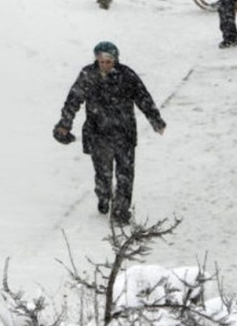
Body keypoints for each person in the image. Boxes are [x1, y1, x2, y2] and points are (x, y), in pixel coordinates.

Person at [52, 41, 165, 224]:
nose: (105, 64)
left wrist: (155, 120)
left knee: (125, 175)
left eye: (109, 61)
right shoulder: (88, 75)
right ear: (96, 59)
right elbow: (73, 100)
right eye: (101, 60)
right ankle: (103, 196)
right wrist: (65, 123)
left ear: (115, 60)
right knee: (103, 175)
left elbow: (143, 97)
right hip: (98, 133)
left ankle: (121, 211)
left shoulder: (126, 75)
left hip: (124, 133)